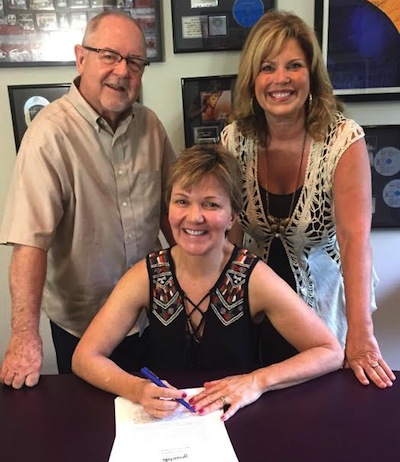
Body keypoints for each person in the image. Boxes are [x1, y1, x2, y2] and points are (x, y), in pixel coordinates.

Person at [72, 144, 343, 421]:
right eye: (182, 201)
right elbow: (85, 357)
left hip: (237, 418)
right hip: (166, 423)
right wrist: (138, 389)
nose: (194, 217)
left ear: (232, 217)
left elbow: (330, 352)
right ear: (168, 209)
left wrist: (257, 381)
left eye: (211, 204)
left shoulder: (253, 276)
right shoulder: (146, 274)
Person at [0, 11, 176, 389]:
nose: (122, 71)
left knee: (159, 420)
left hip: (151, 315)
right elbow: (30, 242)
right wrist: (24, 336)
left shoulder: (151, 127)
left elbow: (171, 212)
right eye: (109, 55)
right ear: (81, 58)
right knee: (92, 434)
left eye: (134, 61)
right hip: (85, 330)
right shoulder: (48, 136)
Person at [220, 10, 395, 388]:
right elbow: (229, 237)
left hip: (325, 308)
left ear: (311, 75)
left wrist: (361, 333)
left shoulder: (343, 139)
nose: (280, 79)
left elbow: (354, 241)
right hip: (256, 305)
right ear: (252, 79)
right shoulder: (234, 139)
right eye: (267, 67)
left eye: (293, 65)